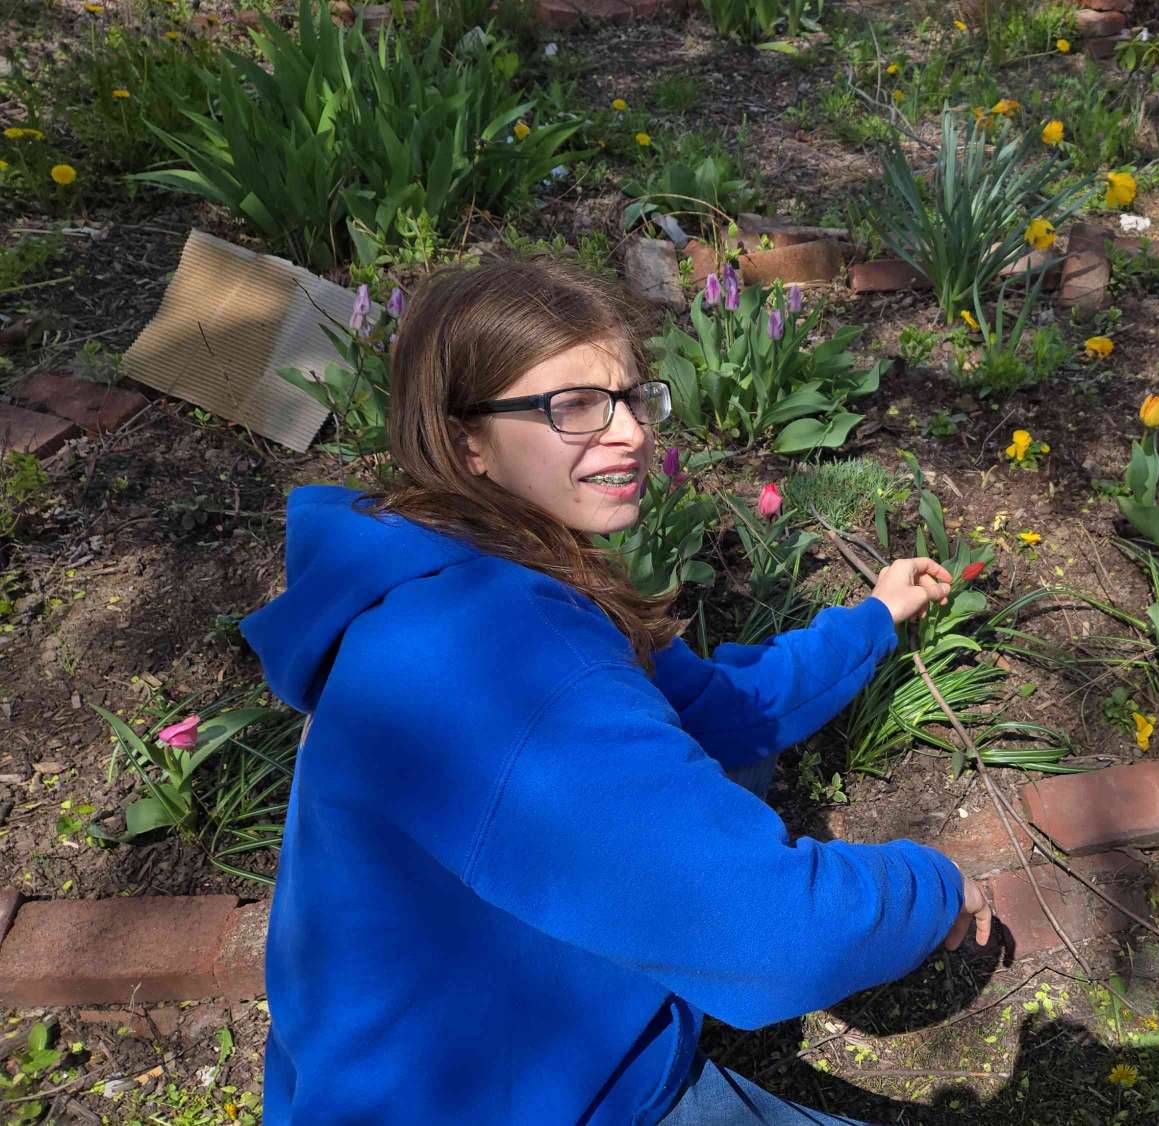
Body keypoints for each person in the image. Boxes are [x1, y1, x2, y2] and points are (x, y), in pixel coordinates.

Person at [240, 258, 991, 1125]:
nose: (630, 432)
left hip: (463, 1047)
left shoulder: (459, 569)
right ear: (466, 440)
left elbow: (717, 710)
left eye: (633, 398)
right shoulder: (510, 669)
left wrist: (870, 619)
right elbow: (777, 935)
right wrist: (931, 887)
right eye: (573, 408)